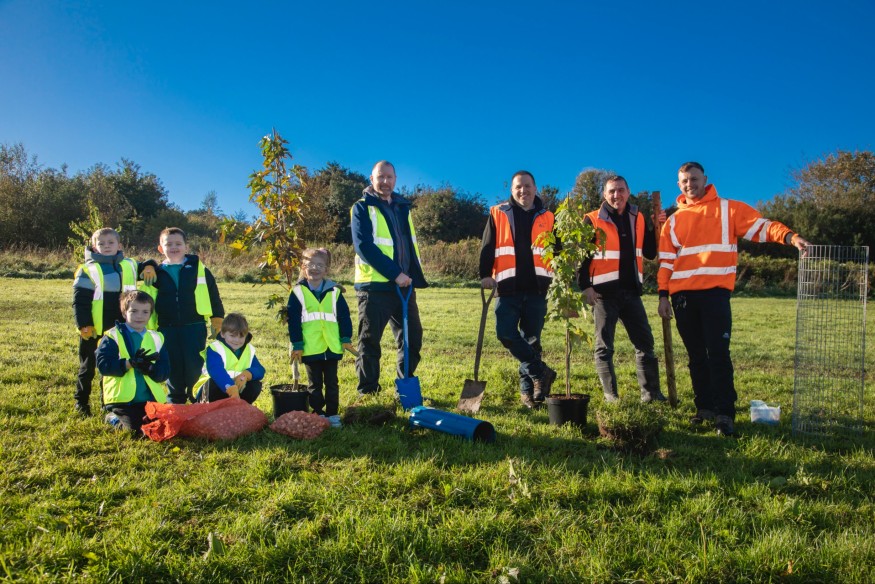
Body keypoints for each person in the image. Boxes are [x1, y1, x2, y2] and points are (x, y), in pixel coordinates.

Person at [657, 162, 810, 436]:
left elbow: (762, 227)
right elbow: (666, 262)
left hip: (715, 294)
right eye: (683, 181)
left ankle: (725, 414)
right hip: (682, 298)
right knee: (696, 357)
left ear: (705, 179)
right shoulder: (673, 220)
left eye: (693, 179)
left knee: (718, 354)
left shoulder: (728, 209)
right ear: (678, 185)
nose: (688, 184)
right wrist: (663, 295)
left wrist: (790, 237)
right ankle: (703, 409)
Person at [578, 175, 667, 404]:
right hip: (603, 294)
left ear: (628, 192)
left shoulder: (637, 217)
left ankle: (651, 394)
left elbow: (649, 251)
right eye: (611, 191)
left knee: (645, 343)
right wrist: (585, 286)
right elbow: (582, 258)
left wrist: (659, 225)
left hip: (631, 292)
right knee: (604, 346)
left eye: (620, 190)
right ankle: (611, 396)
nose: (616, 195)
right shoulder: (592, 220)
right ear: (604, 195)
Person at [479, 170, 557, 409]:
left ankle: (530, 395)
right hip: (507, 286)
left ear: (535, 188)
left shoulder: (549, 217)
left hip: (537, 287)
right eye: (518, 187)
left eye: (527, 186)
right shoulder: (498, 213)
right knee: (505, 333)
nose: (523, 190)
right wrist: (484, 274)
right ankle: (540, 371)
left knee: (532, 340)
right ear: (511, 191)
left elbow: (558, 251)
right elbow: (488, 245)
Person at [350, 161, 427, 396]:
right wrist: (396, 274)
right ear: (371, 179)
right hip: (374, 287)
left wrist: (411, 276)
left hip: (404, 286)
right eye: (380, 177)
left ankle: (404, 387)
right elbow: (364, 246)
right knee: (370, 341)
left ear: (395, 179)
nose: (385, 182)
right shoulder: (362, 207)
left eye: (389, 177)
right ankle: (368, 390)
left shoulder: (403, 207)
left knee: (412, 339)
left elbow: (407, 245)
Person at [72, 228, 156, 417]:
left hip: (122, 328)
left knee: (112, 368)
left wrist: (150, 265)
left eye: (111, 243)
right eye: (101, 243)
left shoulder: (130, 265)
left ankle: (108, 404)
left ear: (119, 245)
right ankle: (81, 403)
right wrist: (83, 324)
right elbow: (80, 300)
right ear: (94, 246)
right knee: (88, 367)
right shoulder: (87, 269)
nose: (106, 246)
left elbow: (147, 265)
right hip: (95, 329)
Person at [148, 227, 224, 404]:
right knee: (172, 364)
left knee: (194, 364)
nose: (174, 247)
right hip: (167, 327)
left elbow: (213, 293)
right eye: (168, 244)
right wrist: (148, 265)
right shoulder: (156, 273)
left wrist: (217, 317)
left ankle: (196, 397)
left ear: (185, 246)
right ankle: (176, 400)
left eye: (178, 244)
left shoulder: (198, 268)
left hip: (194, 326)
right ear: (160, 248)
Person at [287, 248, 354, 425]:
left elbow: (344, 317)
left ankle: (333, 415)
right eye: (310, 265)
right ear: (303, 267)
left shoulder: (335, 292)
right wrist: (297, 344)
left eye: (319, 265)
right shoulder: (297, 293)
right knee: (314, 384)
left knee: (332, 383)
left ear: (326, 270)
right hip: (310, 347)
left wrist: (345, 338)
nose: (314, 268)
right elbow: (293, 321)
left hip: (331, 346)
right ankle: (318, 413)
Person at [97, 290, 170, 434]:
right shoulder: (112, 336)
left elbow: (164, 372)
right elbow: (103, 366)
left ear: (150, 314)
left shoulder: (157, 338)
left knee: (164, 427)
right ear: (124, 313)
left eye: (145, 312)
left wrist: (149, 368)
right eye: (134, 311)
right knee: (137, 432)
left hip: (150, 400)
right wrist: (129, 364)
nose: (139, 316)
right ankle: (113, 417)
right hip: (123, 400)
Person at [192, 312, 265, 404]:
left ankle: (240, 408)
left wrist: (245, 375)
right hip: (212, 390)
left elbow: (260, 370)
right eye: (232, 336)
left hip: (235, 389)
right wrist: (230, 387)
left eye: (241, 336)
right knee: (213, 383)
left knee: (255, 385)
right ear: (222, 334)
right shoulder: (215, 348)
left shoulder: (248, 350)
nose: (237, 340)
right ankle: (211, 411)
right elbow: (216, 371)